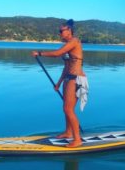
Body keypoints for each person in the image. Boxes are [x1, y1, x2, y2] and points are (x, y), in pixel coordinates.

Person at [32, 19, 88, 148]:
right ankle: (68, 132)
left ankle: (77, 139)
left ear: (69, 31)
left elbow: (57, 54)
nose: (60, 34)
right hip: (68, 78)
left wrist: (39, 53)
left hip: (76, 79)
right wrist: (58, 83)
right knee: (67, 109)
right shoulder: (68, 44)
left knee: (68, 109)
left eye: (61, 31)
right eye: (59, 31)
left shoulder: (74, 41)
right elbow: (66, 67)